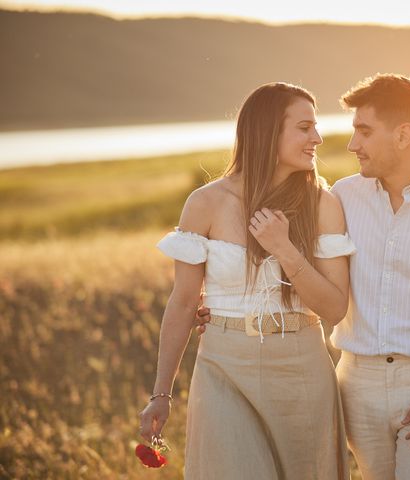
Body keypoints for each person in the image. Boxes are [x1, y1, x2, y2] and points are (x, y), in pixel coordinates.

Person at [197, 73, 410, 480]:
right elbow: (277, 248)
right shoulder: (339, 197)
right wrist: (218, 302)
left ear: (403, 135)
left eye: (364, 130)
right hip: (356, 384)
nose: (351, 143)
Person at [138, 82, 355, 480]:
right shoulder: (205, 202)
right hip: (223, 367)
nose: (318, 138)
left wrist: (285, 249)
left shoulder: (323, 203)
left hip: (301, 369)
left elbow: (334, 308)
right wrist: (161, 394)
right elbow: (184, 303)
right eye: (305, 128)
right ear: (268, 131)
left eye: (316, 127)